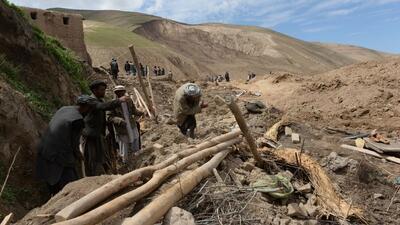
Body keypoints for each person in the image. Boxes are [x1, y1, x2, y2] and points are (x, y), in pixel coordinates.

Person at [36, 95, 96, 195]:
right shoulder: (77, 120)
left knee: (53, 182)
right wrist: (79, 155)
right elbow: (74, 144)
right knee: (70, 185)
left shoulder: (64, 109)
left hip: (44, 150)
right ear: (86, 107)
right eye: (90, 109)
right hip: (59, 155)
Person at [82, 80, 129, 176]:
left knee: (101, 157)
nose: (104, 92)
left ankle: (103, 174)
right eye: (101, 90)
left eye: (104, 90)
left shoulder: (99, 100)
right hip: (90, 136)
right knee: (92, 159)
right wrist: (119, 100)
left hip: (98, 135)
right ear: (94, 91)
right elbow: (103, 107)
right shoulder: (91, 101)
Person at [107, 86, 144, 163]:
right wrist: (119, 120)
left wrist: (141, 112)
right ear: (116, 93)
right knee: (124, 144)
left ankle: (137, 158)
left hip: (131, 125)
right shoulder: (113, 103)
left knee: (136, 139)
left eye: (122, 92)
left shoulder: (129, 100)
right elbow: (109, 117)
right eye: (119, 92)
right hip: (122, 128)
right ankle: (125, 161)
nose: (121, 93)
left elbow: (134, 111)